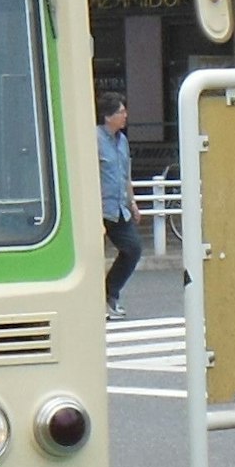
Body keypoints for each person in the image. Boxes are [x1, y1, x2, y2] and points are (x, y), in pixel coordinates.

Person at [97, 94, 139, 318]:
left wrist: (133, 203)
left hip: (119, 208)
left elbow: (125, 175)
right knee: (92, 257)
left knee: (133, 249)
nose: (125, 116)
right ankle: (102, 301)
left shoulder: (122, 140)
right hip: (100, 209)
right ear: (107, 116)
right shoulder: (94, 138)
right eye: (121, 112)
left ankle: (110, 292)